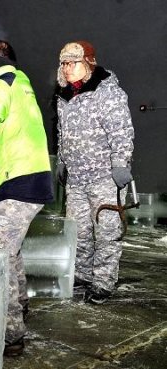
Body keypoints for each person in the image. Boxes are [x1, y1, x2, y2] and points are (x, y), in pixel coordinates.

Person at [0, 42, 53, 356]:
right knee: (9, 252)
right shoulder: (19, 84)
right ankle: (20, 308)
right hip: (26, 180)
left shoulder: (2, 81)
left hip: (21, 181)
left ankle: (9, 334)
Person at [55, 41, 134, 305]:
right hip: (76, 179)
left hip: (104, 178)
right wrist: (62, 161)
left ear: (88, 63)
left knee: (107, 232)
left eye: (72, 63)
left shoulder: (108, 92)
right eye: (63, 63)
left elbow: (121, 131)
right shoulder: (64, 96)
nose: (66, 69)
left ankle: (103, 282)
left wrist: (121, 164)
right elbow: (62, 133)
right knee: (78, 231)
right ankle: (83, 274)